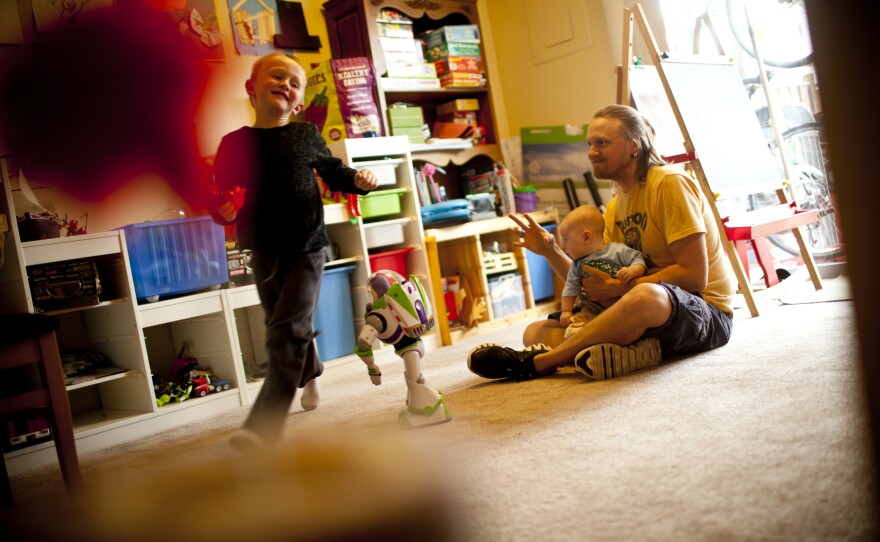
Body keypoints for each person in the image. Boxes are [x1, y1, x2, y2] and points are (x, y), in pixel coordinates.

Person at [468, 104, 736, 381]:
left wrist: (619, 287)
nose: (592, 152)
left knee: (645, 297)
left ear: (634, 145)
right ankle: (634, 354)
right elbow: (592, 283)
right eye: (590, 143)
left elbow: (694, 276)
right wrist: (551, 250)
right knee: (536, 332)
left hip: (704, 313)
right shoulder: (615, 207)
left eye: (602, 143)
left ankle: (540, 363)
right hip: (644, 312)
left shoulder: (669, 184)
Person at [211, 52, 379, 449]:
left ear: (299, 103)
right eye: (276, 76)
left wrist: (359, 180)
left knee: (287, 330)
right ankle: (311, 371)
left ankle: (263, 426)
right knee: (282, 325)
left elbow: (334, 171)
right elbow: (219, 197)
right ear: (251, 88)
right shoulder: (233, 144)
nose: (285, 84)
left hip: (307, 247)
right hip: (262, 250)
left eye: (294, 83)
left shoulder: (305, 135)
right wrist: (222, 209)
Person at [553, 204, 646, 335]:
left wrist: (633, 270)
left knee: (634, 314)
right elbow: (570, 288)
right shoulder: (577, 264)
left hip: (621, 306)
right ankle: (589, 334)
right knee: (583, 314)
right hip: (593, 309)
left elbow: (638, 260)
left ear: (587, 237)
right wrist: (566, 311)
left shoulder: (617, 250)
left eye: (566, 240)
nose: (563, 246)